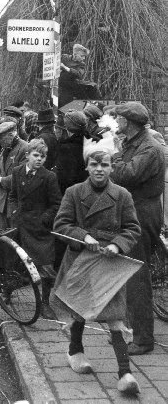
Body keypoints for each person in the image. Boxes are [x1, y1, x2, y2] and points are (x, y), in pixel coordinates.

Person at [53, 150, 141, 394]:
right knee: (79, 308)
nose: (99, 169)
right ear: (87, 167)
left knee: (114, 315)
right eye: (94, 164)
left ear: (112, 168)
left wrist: (117, 244)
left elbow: (132, 228)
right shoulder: (74, 193)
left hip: (109, 261)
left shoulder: (122, 195)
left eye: (105, 165)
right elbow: (61, 224)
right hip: (81, 258)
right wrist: (84, 236)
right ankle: (75, 350)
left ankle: (125, 373)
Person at [111, 102, 165, 355]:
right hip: (135, 209)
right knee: (127, 273)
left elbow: (125, 175)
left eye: (119, 117)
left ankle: (143, 340)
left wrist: (114, 154)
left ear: (129, 122)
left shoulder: (149, 149)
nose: (115, 120)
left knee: (137, 277)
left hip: (143, 213)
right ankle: (130, 332)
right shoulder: (136, 142)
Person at [8, 139, 62, 319]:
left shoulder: (48, 177)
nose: (39, 159)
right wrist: (14, 213)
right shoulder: (17, 172)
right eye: (36, 155)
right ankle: (7, 291)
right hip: (21, 225)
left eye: (43, 156)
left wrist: (44, 219)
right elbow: (13, 196)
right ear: (27, 155)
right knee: (16, 263)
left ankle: (45, 302)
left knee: (46, 266)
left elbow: (56, 204)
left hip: (40, 229)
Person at [0, 121, 30, 231]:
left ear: (11, 135)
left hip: (15, 206)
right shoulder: (5, 149)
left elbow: (22, 176)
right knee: (0, 240)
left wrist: (0, 181)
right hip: (1, 205)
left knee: (13, 240)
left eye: (1, 137)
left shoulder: (25, 149)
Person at [58, 43, 89, 108]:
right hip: (57, 85)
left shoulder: (81, 64)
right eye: (82, 56)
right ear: (75, 54)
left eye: (84, 56)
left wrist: (66, 69)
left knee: (65, 106)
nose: (83, 58)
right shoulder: (64, 57)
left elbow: (79, 74)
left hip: (69, 88)